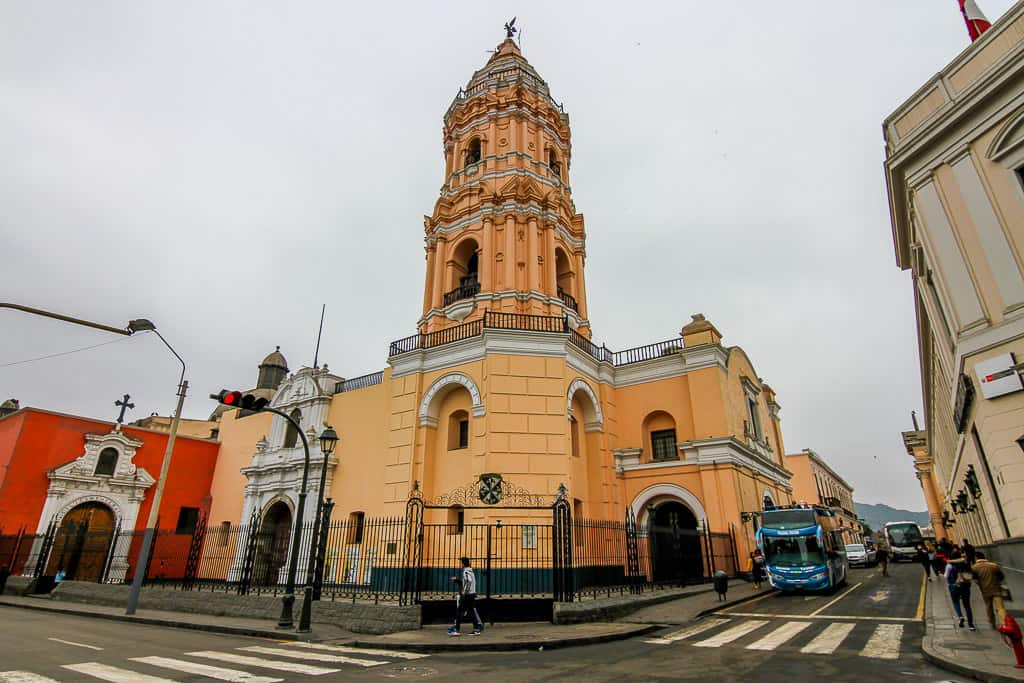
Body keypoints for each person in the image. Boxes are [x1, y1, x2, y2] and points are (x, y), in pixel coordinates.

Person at [447, 557, 483, 637]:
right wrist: (456, 580)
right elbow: (465, 582)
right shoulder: (470, 571)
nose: (461, 565)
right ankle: (476, 629)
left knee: (459, 610)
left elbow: (468, 581)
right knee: (471, 611)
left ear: (463, 564)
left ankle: (457, 630)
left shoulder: (466, 571)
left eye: (461, 563)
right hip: (472, 594)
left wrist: (465, 592)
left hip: (468, 595)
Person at [971, 552, 1007, 629]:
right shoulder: (994, 565)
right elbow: (1001, 577)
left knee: (988, 606)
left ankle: (992, 622)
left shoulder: (974, 567)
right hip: (996, 589)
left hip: (985, 590)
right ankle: (1004, 624)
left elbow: (975, 580)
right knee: (1000, 607)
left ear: (976, 558)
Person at [945, 550, 976, 631]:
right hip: (965, 585)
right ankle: (971, 625)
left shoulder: (950, 565)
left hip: (954, 585)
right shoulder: (966, 563)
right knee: (967, 605)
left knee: (955, 602)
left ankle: (960, 616)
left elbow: (946, 576)